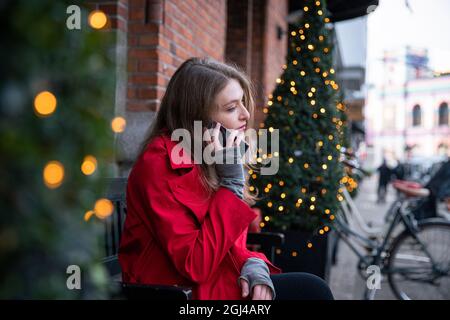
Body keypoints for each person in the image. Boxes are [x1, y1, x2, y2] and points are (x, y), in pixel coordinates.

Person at [118, 57, 333, 300]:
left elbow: (229, 246)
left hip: (217, 284)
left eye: (242, 102)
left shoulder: (208, 156)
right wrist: (231, 185)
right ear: (197, 118)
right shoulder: (159, 164)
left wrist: (254, 265)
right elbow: (195, 264)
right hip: (178, 295)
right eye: (231, 108)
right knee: (312, 293)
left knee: (313, 289)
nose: (245, 114)